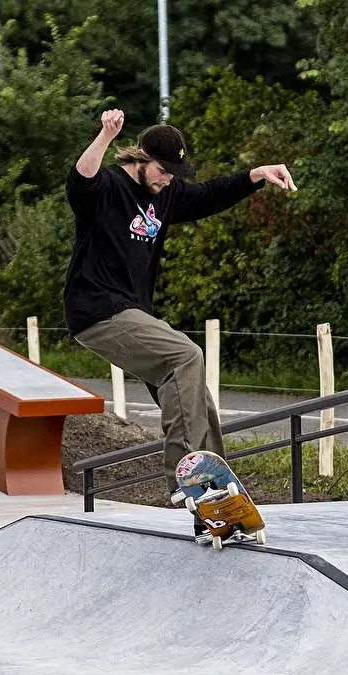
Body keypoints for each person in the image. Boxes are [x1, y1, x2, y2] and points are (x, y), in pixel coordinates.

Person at [64, 108, 296, 480]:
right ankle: (188, 471)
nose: (167, 181)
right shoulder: (107, 187)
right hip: (96, 309)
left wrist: (256, 175)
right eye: (162, 171)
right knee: (186, 355)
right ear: (142, 158)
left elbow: (209, 195)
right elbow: (80, 180)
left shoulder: (165, 195)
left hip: (132, 312)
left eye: (173, 174)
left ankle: (217, 485)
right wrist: (105, 136)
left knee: (193, 392)